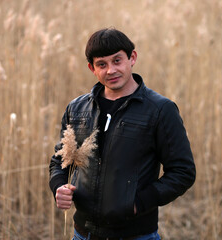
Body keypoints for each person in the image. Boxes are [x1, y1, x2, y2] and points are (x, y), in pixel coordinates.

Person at [49, 27, 196, 240]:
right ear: (92, 68)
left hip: (135, 235)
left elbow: (183, 172)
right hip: (83, 233)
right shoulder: (77, 108)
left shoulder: (160, 110)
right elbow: (59, 161)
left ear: (132, 58)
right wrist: (58, 186)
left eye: (117, 61)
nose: (110, 70)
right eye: (102, 64)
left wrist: (137, 205)